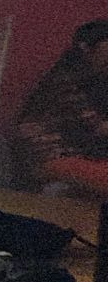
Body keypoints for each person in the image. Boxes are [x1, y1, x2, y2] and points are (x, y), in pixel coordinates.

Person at [11, 19, 108, 189]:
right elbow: (97, 127)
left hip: (67, 154)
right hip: (48, 156)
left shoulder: (89, 79)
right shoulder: (65, 79)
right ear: (86, 48)